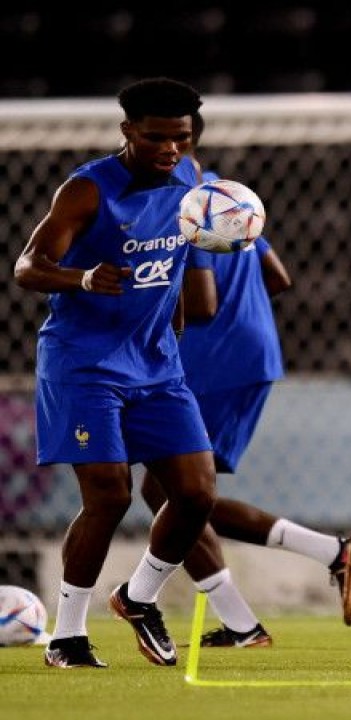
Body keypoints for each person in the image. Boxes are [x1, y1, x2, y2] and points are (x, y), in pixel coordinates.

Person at [137, 139, 351, 648]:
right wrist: (241, 310)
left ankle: (332, 555)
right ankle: (246, 622)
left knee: (175, 494)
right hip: (250, 351)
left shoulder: (178, 205)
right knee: (175, 494)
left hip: (212, 362)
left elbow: (202, 305)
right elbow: (278, 277)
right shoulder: (226, 196)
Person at [13, 77, 216, 669]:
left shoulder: (191, 181)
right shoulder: (87, 190)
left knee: (196, 494)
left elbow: (179, 271)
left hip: (156, 366)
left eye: (181, 137)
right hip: (84, 365)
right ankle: (67, 637)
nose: (170, 149)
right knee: (110, 494)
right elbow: (27, 266)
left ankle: (138, 596)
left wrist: (174, 328)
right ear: (128, 131)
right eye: (156, 138)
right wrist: (79, 278)